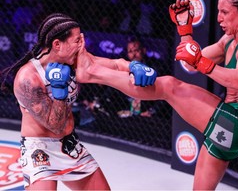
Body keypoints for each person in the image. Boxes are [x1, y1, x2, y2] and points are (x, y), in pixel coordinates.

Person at [75, 0, 238, 190]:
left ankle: (93, 72)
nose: (219, 18)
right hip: (228, 130)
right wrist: (185, 29)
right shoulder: (229, 40)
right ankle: (92, 66)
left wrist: (201, 62)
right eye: (218, 12)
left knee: (169, 85)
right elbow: (189, 63)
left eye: (224, 12)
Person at [0, 13, 157, 190]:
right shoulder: (28, 78)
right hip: (40, 151)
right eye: (77, 40)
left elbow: (111, 64)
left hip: (69, 144)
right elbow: (55, 125)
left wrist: (133, 66)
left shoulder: (74, 60)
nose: (82, 44)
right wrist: (59, 91)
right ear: (57, 45)